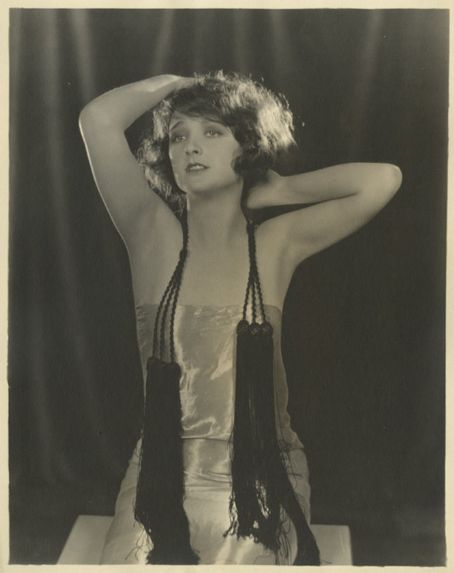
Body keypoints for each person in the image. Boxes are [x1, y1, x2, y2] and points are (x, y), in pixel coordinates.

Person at [79, 71, 402, 565]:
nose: (191, 146)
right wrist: (182, 83)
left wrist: (281, 190)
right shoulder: (151, 234)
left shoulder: (274, 245)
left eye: (213, 131)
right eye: (178, 136)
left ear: (247, 147)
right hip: (162, 473)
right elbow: (98, 119)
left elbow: (383, 179)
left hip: (263, 472)